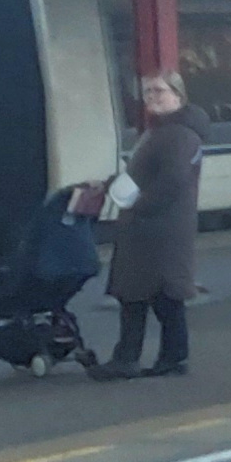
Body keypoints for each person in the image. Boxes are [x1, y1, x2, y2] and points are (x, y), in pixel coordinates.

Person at [90, 71, 206, 379]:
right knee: (144, 296)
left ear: (178, 95)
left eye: (159, 91)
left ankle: (157, 358)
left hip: (159, 229)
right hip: (152, 228)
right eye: (147, 92)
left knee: (159, 297)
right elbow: (148, 177)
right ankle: (153, 357)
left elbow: (173, 180)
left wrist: (138, 203)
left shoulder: (178, 134)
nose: (152, 97)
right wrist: (113, 185)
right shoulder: (163, 131)